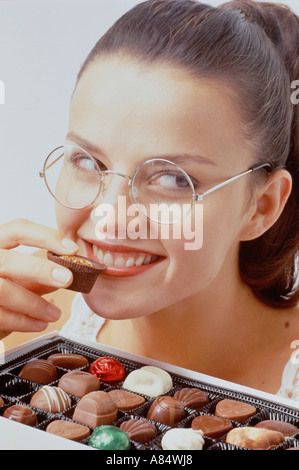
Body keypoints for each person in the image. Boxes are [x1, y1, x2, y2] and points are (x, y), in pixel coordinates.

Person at [1, 0, 299, 400]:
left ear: (260, 207)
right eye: (87, 161)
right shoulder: (26, 311)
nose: (109, 218)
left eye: (174, 179)